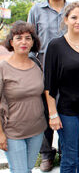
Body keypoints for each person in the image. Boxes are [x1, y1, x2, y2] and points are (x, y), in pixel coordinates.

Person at [44, 2, 79, 173]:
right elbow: (49, 84)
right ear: (66, 19)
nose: (78, 21)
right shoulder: (56, 46)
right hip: (66, 111)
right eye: (74, 17)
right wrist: (53, 114)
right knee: (69, 157)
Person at [27, 0, 68, 171]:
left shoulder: (72, 9)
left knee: (66, 112)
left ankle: (64, 151)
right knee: (44, 113)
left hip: (68, 72)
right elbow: (29, 40)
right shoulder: (36, 10)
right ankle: (46, 155)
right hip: (43, 69)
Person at [0, 21, 46, 172]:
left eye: (28, 38)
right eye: (18, 38)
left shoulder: (36, 64)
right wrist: (0, 134)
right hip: (13, 131)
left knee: (28, 169)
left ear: (33, 42)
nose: (24, 42)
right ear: (11, 42)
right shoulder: (3, 68)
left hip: (37, 129)